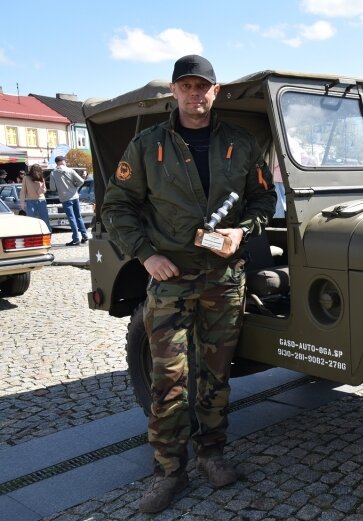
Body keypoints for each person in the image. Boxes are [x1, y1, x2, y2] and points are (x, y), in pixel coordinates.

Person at [101, 54, 277, 514]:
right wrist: (146, 254)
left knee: (216, 376)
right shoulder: (148, 145)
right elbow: (116, 207)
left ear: (215, 92)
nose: (196, 94)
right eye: (187, 86)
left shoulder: (239, 144)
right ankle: (167, 471)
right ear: (175, 92)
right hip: (172, 277)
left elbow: (264, 197)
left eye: (204, 87)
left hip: (224, 278)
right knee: (169, 380)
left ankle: (212, 455)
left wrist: (245, 230)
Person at [50, 156, 88, 245]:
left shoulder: (53, 173)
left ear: (57, 163)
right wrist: (74, 185)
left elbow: (52, 188)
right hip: (75, 196)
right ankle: (85, 236)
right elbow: (81, 181)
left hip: (65, 198)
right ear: (63, 161)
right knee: (78, 216)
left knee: (71, 218)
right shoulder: (70, 170)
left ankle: (76, 239)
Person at [20, 164, 51, 231]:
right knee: (31, 219)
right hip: (30, 201)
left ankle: (48, 234)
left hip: (41, 200)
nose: (39, 172)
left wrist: (42, 190)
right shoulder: (26, 178)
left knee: (45, 219)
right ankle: (32, 234)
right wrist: (22, 202)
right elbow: (23, 191)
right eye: (38, 170)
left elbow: (45, 189)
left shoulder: (41, 178)